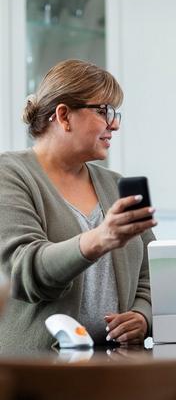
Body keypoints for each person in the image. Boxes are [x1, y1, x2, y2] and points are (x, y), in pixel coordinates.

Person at [0, 59, 157, 348]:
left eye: (116, 113)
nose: (115, 124)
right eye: (104, 111)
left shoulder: (114, 184)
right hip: (38, 374)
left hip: (112, 365)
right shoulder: (9, 174)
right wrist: (99, 238)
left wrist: (142, 315)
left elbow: (153, 271)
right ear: (64, 116)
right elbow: (20, 272)